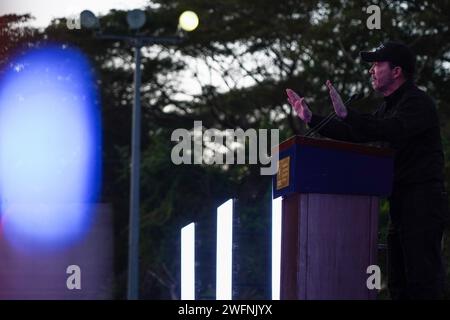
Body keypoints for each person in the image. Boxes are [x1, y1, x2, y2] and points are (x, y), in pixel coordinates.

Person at [286, 41, 449, 300]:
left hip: (422, 201)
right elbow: (358, 132)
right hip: (400, 202)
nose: (371, 70)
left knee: (423, 280)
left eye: (376, 64)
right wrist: (312, 119)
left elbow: (390, 129)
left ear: (396, 71)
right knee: (399, 284)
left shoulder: (417, 102)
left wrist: (349, 114)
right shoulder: (386, 107)